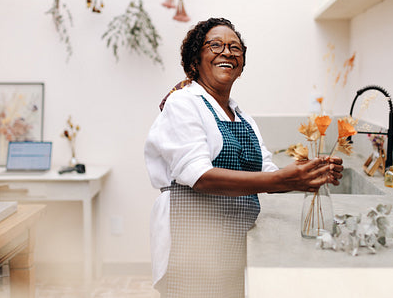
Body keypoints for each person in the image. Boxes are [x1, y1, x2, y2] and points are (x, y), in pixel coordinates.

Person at [144, 17, 343, 298]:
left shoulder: (243, 117)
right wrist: (284, 178)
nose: (227, 52)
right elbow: (199, 177)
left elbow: (268, 172)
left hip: (236, 241)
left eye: (235, 48)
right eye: (215, 45)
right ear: (195, 60)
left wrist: (308, 173)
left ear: (242, 64)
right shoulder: (184, 103)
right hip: (192, 242)